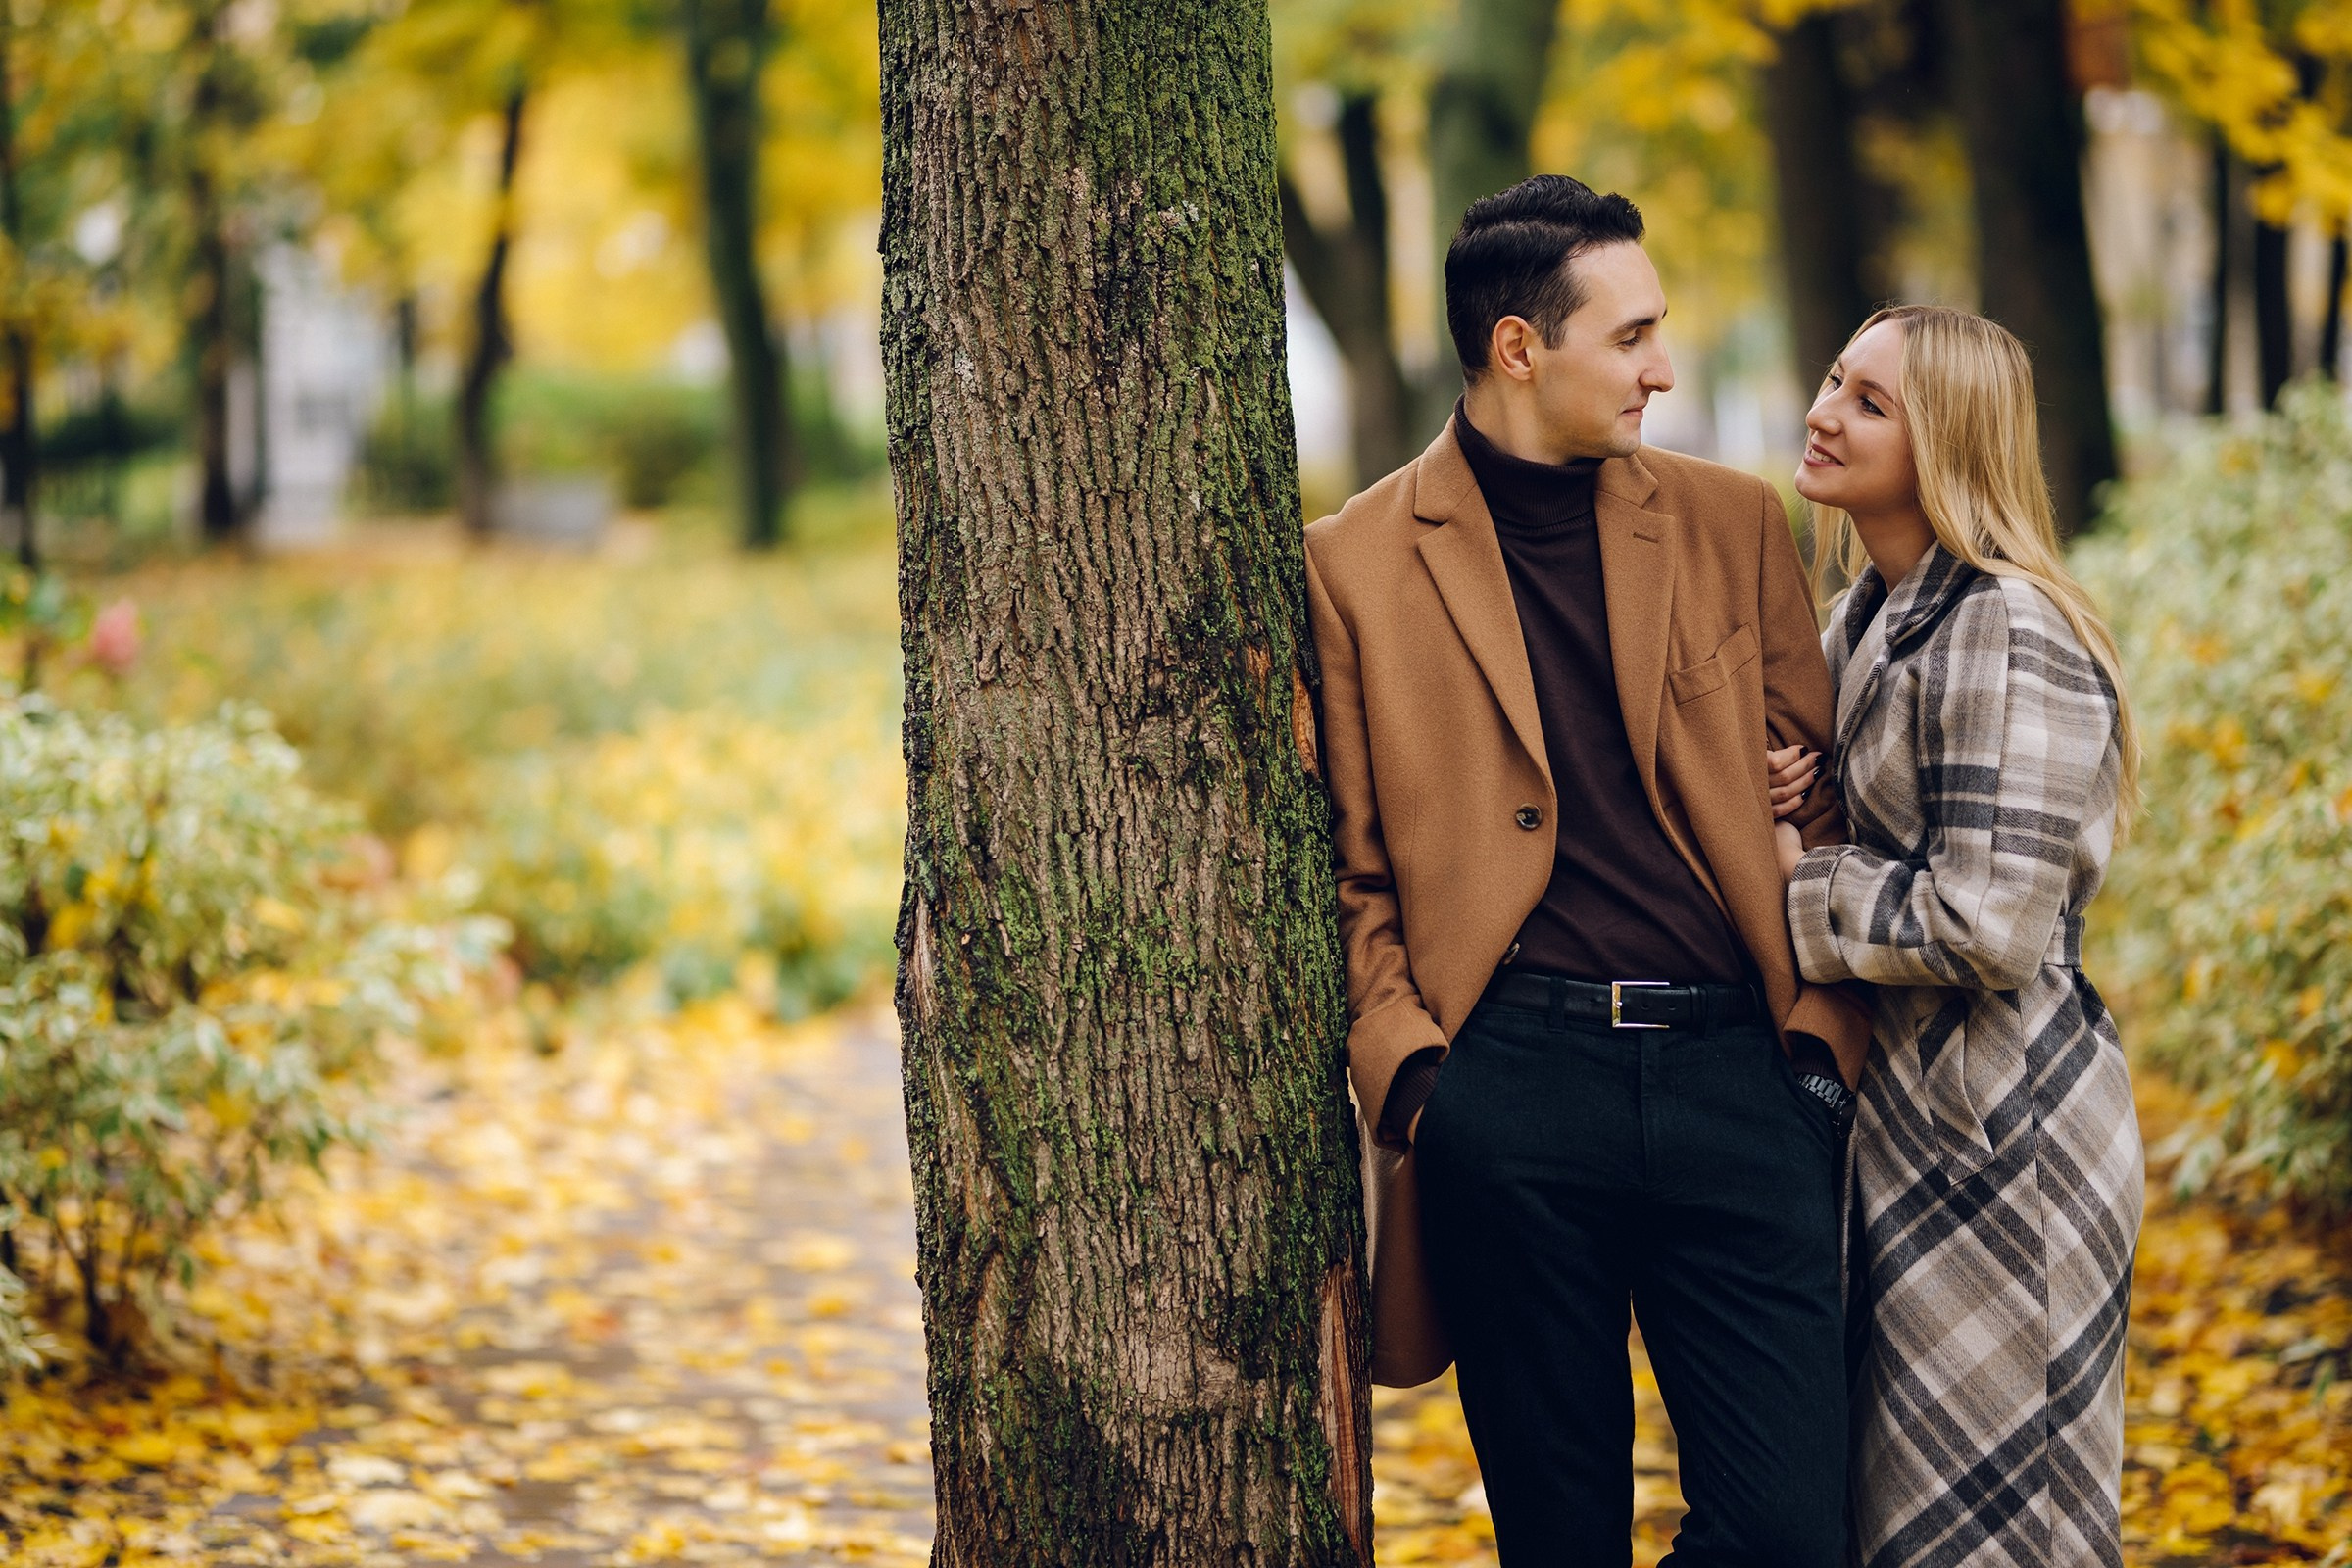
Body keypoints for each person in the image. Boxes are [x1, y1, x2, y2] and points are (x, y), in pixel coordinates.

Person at [1303, 172, 1871, 1565]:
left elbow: (1838, 792)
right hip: (1509, 1102)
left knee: (1792, 1531)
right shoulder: (1355, 563)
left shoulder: (1733, 522)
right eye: (1629, 338)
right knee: (1558, 1539)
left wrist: (1815, 1047)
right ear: (1518, 348)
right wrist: (1423, 1080)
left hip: (1742, 1078)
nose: (1661, 369)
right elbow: (1348, 873)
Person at [1774, 304, 2145, 1568]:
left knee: (2008, 1527)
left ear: (1949, 444)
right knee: (1908, 1522)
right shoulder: (1867, 616)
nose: (1825, 411)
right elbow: (1902, 832)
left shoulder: (2009, 624)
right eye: (1836, 380)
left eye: (1871, 403)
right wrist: (1815, 799)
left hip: (2012, 1129)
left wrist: (1796, 884)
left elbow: (1988, 922)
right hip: (1913, 1120)